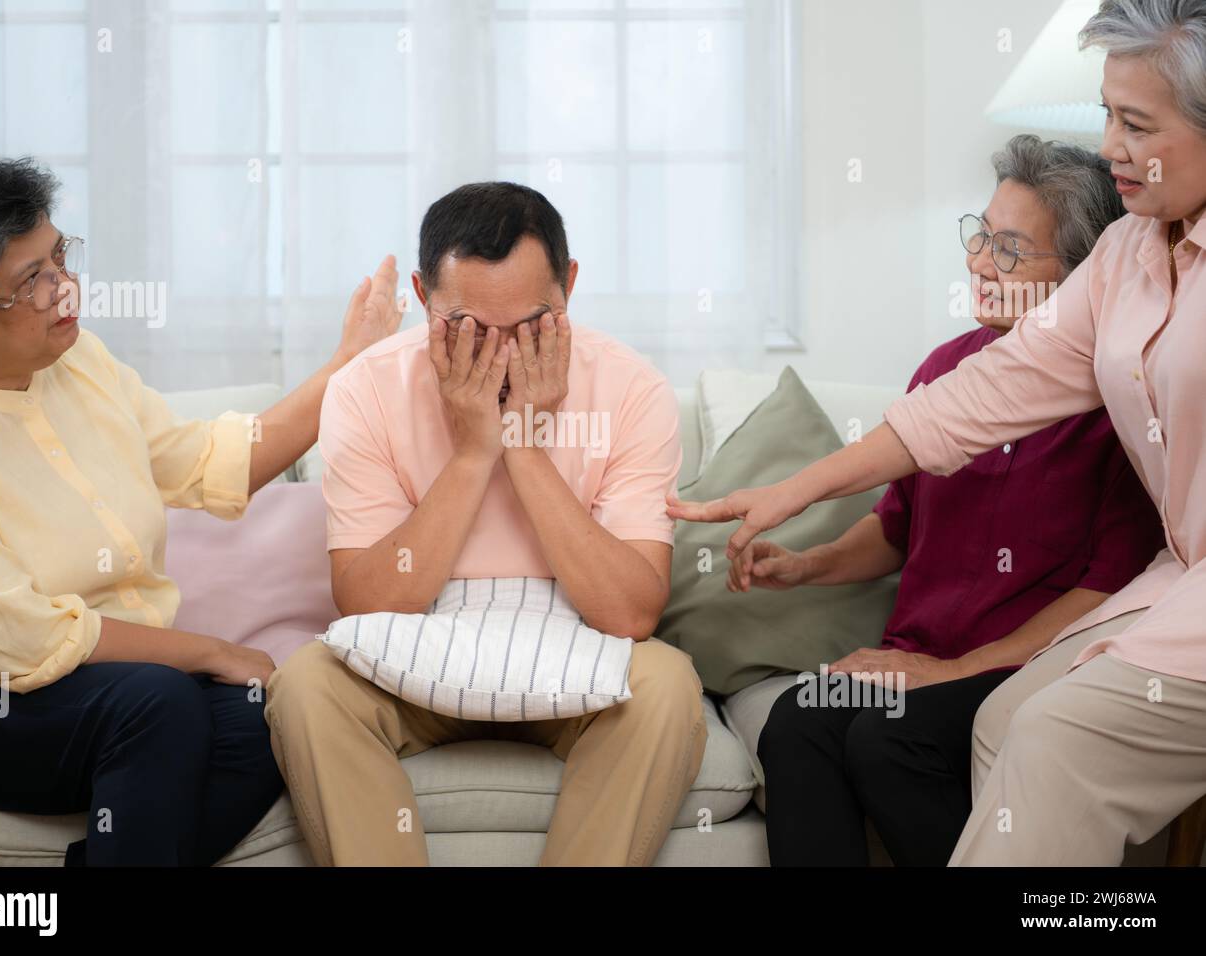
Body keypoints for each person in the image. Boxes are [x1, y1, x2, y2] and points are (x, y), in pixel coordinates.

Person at [670, 0, 1206, 865]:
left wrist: (955, 670)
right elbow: (968, 404)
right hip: (1176, 589)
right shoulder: (1127, 259)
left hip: (1126, 614)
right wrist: (793, 495)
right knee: (950, 724)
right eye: (1106, 114)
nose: (1110, 146)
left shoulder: (1108, 392)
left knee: (1030, 730)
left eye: (1134, 122)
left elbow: (1101, 572)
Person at [0, 152, 402, 865]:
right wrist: (209, 652)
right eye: (32, 282)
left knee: (274, 714)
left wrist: (350, 362)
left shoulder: (79, 363)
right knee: (160, 704)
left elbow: (209, 463)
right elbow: (13, 641)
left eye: (60, 259)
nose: (65, 292)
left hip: (124, 685)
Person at [265, 182, 706, 866]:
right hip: (412, 655)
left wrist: (523, 443)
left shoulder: (632, 389)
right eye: (469, 328)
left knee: (667, 684)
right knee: (308, 684)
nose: (502, 356)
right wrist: (474, 453)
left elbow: (630, 611)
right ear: (420, 295)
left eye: (533, 325)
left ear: (572, 286)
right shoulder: (366, 389)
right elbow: (366, 602)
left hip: (576, 655)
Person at [750, 135, 1162, 866]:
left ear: (1082, 277)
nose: (977, 261)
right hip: (920, 659)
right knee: (799, 719)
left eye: (1008, 248)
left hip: (1020, 670)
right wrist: (805, 566)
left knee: (888, 739)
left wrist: (950, 673)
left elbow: (1108, 592)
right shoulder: (945, 371)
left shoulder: (1115, 408)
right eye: (980, 234)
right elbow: (895, 531)